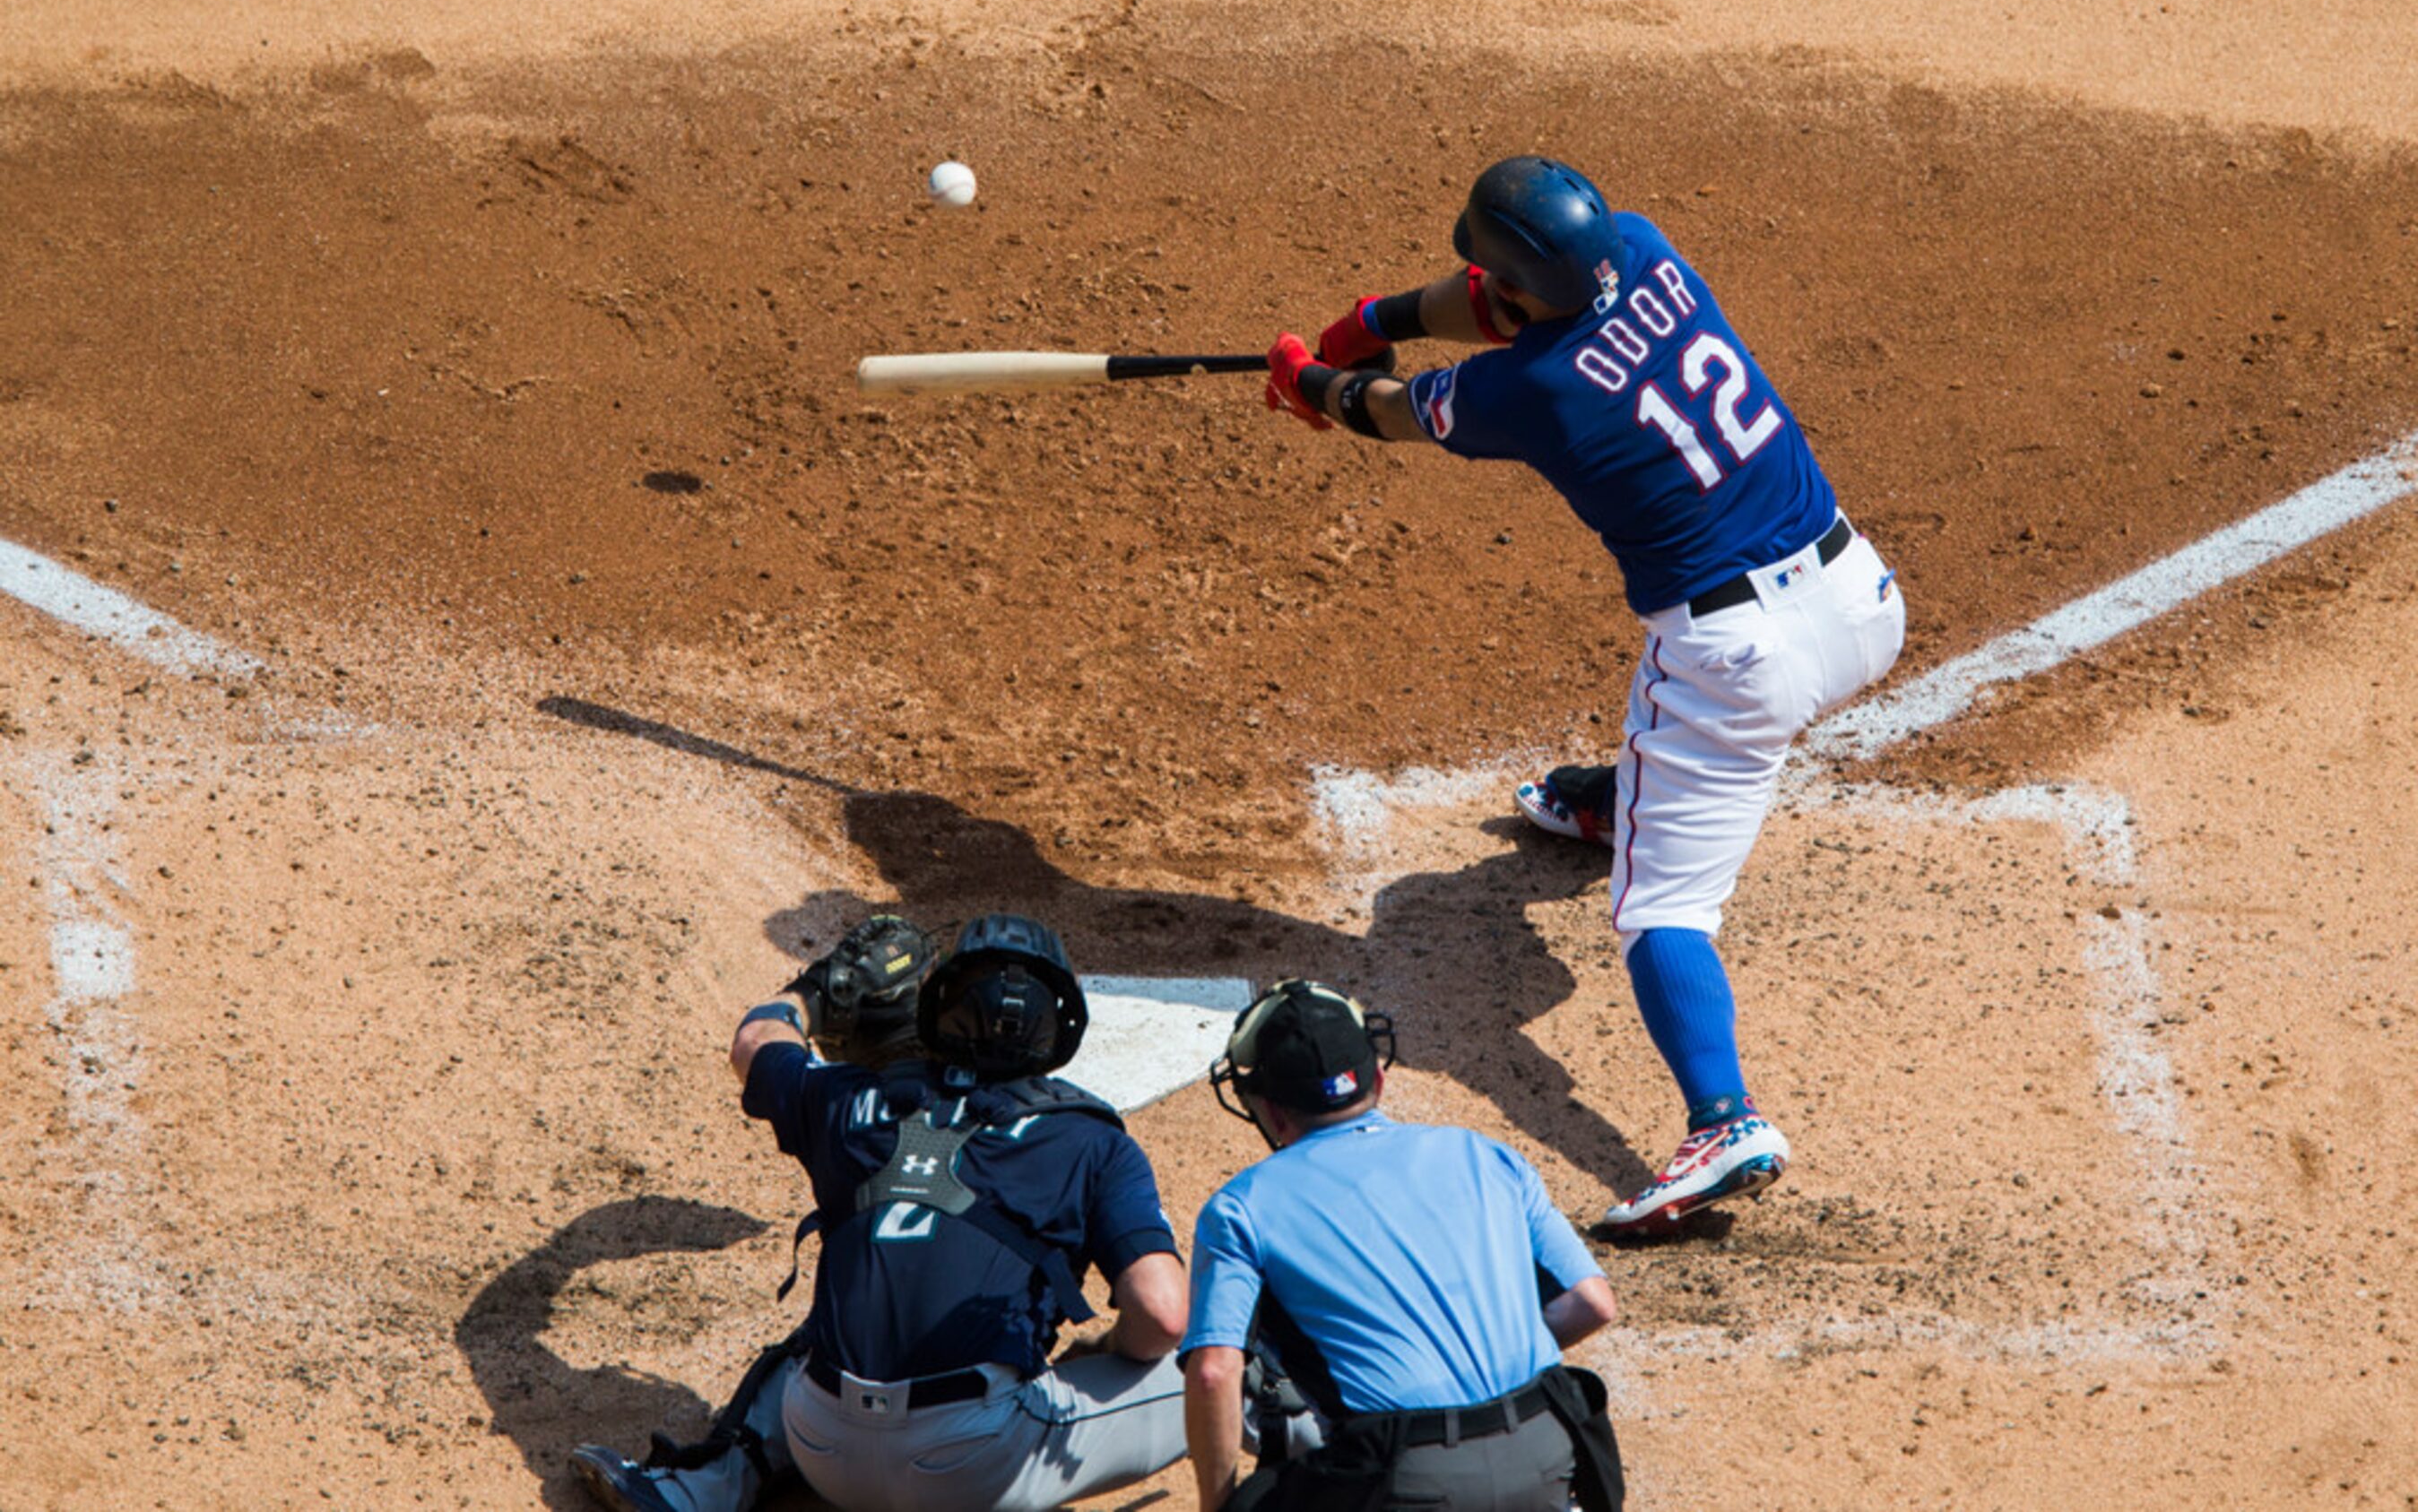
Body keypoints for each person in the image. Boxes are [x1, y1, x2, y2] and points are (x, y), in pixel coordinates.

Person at [1262, 156, 1906, 1232]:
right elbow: (1491, 301)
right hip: (1860, 601)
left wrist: (1312, 379)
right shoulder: (1645, 247)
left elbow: (1390, 413)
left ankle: (1723, 1119)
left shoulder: (1532, 392)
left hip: (1735, 661)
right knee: (1685, 768)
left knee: (1663, 911)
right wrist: (1372, 314)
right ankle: (1627, 803)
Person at [572, 913, 1190, 1512]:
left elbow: (756, 1041)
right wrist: (1104, 1351)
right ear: (1060, 1028)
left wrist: (815, 992)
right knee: (1218, 1365)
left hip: (822, 1443)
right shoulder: (1094, 1142)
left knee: (811, 1345)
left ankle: (704, 1486)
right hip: (978, 1470)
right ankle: (1282, 1465)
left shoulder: (850, 1101)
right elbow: (1162, 1315)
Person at [1182, 980, 1625, 1512]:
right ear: (1379, 1079)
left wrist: (1216, 1505)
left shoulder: (1240, 1207)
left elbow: (1213, 1372)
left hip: (1407, 1478)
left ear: (1272, 1113)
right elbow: (1592, 1302)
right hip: (1549, 1455)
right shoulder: (1487, 1156)